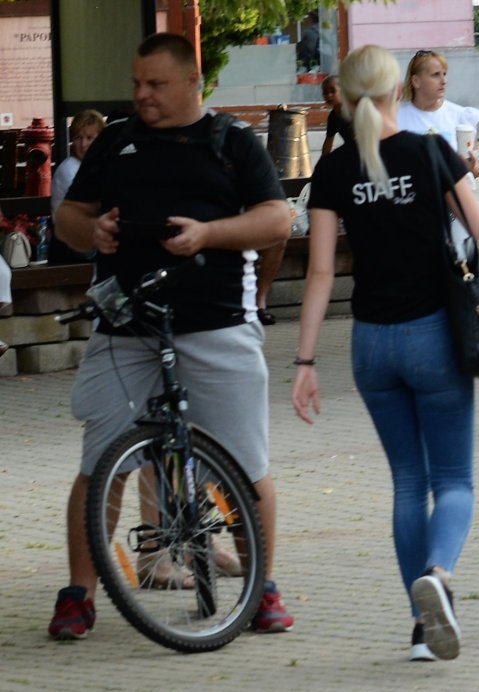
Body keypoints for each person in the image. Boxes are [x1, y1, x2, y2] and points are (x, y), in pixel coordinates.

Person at [50, 32, 295, 640]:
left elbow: (277, 218)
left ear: (192, 83)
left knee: (244, 463)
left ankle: (262, 587)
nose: (142, 95)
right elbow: (68, 217)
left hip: (215, 323)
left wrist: (209, 235)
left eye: (155, 84)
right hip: (125, 323)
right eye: (136, 83)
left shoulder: (231, 142)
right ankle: (79, 594)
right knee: (100, 460)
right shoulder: (116, 140)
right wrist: (95, 230)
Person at [292, 45, 479, 661]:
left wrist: (304, 363)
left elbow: (321, 273)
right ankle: (438, 577)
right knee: (455, 481)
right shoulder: (429, 152)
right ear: (394, 92)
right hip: (433, 334)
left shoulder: (332, 172)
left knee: (408, 483)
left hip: (371, 345)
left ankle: (420, 629)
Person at [398, 50, 479, 176]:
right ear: (416, 81)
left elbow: (478, 168)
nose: (443, 81)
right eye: (435, 75)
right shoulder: (396, 117)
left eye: (444, 74)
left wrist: (470, 166)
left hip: (454, 193)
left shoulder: (461, 116)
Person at [46, 109, 106, 264]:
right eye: (78, 138)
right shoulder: (70, 169)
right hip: (71, 249)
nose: (83, 144)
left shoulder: (95, 167)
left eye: (89, 138)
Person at [317, 74, 352, 157]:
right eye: (325, 92)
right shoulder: (333, 117)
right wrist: (323, 163)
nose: (329, 95)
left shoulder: (353, 111)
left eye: (333, 91)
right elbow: (328, 141)